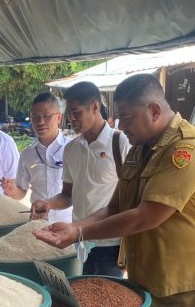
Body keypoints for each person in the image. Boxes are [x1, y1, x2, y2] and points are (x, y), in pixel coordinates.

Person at [34, 74, 195, 307]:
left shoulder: (186, 149)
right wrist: (75, 226)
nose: (121, 126)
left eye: (127, 118)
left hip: (188, 282)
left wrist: (79, 234)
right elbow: (114, 207)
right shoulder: (140, 149)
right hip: (148, 277)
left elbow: (145, 216)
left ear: (153, 110)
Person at [31, 82, 130, 276]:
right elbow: (68, 195)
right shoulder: (72, 149)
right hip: (79, 242)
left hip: (110, 243)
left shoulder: (120, 143)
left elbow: (130, 200)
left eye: (76, 112)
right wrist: (48, 203)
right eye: (69, 113)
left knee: (107, 302)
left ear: (94, 106)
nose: (72, 119)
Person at [0, 93, 72, 223]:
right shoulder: (27, 154)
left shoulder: (72, 149)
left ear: (59, 117)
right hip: (38, 224)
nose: (40, 122)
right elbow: (21, 192)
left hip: (69, 223)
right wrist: (12, 189)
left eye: (46, 116)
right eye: (35, 117)